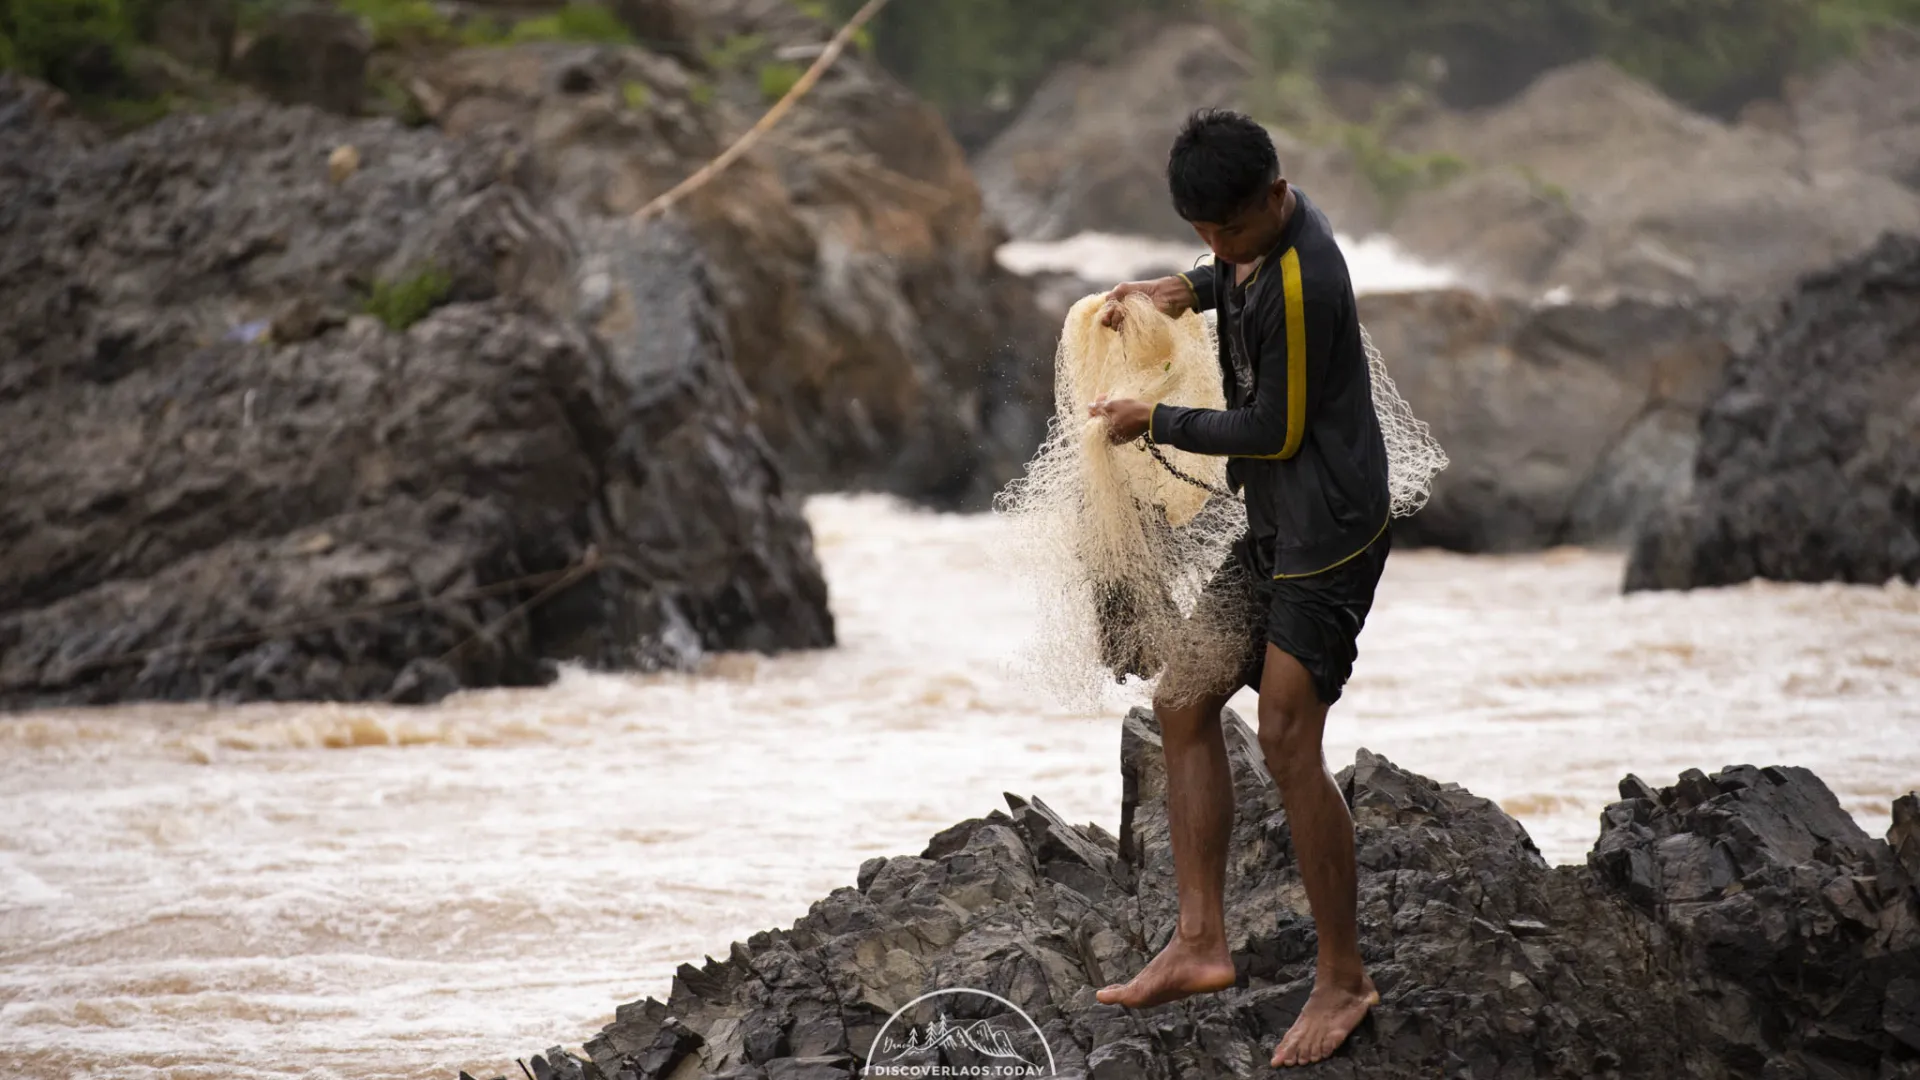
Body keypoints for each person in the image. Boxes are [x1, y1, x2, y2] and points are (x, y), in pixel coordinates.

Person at [1086, 107, 1392, 1068]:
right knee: (1181, 698)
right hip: (1275, 523)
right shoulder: (1254, 239)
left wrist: (1156, 417)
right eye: (1199, 234)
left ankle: (1344, 980)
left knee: (1289, 737)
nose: (1217, 245)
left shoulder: (1305, 283)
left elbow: (1274, 430)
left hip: (1330, 531)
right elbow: (1235, 269)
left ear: (1275, 194)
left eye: (1228, 232)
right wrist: (1182, 287)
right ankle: (1199, 941)